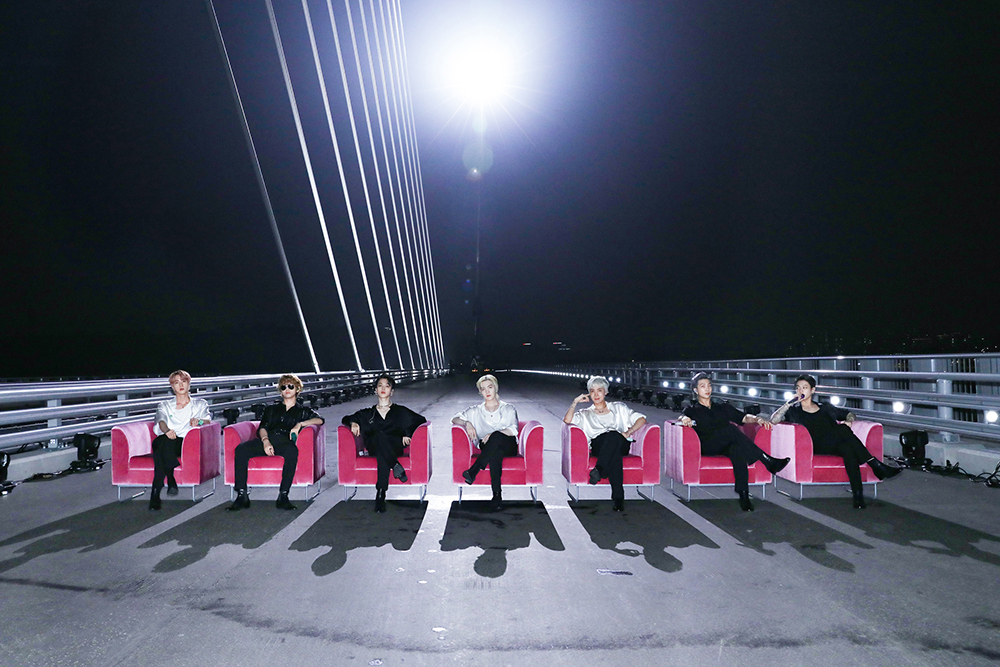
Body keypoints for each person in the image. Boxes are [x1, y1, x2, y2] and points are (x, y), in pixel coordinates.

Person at [770, 374, 900, 508]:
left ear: (813, 390)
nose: (800, 390)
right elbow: (774, 420)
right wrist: (788, 404)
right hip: (814, 446)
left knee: (848, 449)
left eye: (805, 387)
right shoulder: (794, 411)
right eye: (798, 388)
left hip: (833, 444)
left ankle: (858, 496)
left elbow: (849, 414)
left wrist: (849, 421)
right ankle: (875, 464)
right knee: (843, 429)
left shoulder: (825, 407)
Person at [679, 372, 790, 512]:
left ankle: (744, 495)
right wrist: (684, 419)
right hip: (707, 445)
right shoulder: (692, 410)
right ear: (696, 390)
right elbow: (681, 417)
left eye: (709, 385)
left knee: (737, 449)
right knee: (730, 429)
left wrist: (757, 419)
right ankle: (767, 460)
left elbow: (743, 417)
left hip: (725, 444)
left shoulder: (722, 407)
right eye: (702, 386)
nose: (707, 389)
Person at [227, 374, 324, 512]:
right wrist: (266, 442)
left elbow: (320, 420)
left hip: (285, 441)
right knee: (241, 449)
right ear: (280, 391)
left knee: (292, 451)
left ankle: (283, 496)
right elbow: (263, 428)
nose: (287, 389)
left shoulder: (303, 411)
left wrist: (300, 424)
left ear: (297, 389)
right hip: (268, 439)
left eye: (290, 386)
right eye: (283, 387)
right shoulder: (271, 409)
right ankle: (242, 495)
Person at [342, 374, 426, 513]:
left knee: (382, 451)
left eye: (387, 386)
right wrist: (353, 422)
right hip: (374, 446)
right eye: (380, 385)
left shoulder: (400, 411)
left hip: (394, 447)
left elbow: (421, 420)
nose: (383, 388)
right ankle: (393, 468)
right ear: (375, 390)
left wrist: (408, 432)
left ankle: (381, 493)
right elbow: (346, 418)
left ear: (391, 392)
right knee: (379, 438)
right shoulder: (368, 413)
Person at [564, 375, 647, 512]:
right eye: (592, 391)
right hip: (599, 445)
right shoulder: (585, 413)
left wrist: (629, 432)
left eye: (599, 390)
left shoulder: (619, 407)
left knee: (614, 437)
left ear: (606, 392)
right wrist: (575, 402)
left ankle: (600, 470)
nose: (596, 394)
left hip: (621, 441)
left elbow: (641, 419)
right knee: (614, 454)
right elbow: (567, 420)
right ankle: (618, 498)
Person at [453, 374, 519, 511]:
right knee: (496, 452)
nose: (487, 391)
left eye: (490, 387)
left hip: (508, 444)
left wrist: (494, 434)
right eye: (483, 389)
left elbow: (513, 429)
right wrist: (467, 423)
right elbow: (454, 419)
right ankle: (497, 496)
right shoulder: (475, 411)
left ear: (496, 388)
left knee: (497, 438)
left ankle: (475, 469)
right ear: (480, 392)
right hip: (487, 446)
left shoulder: (509, 408)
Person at [149, 370, 211, 510]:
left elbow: (208, 420)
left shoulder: (200, 404)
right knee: (162, 442)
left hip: (185, 442)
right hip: (167, 439)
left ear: (189, 384)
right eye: (176, 383)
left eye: (183, 381)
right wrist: (167, 431)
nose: (181, 385)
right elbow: (161, 421)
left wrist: (199, 421)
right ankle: (158, 490)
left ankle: (166, 482)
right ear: (172, 387)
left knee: (160, 446)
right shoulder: (164, 405)